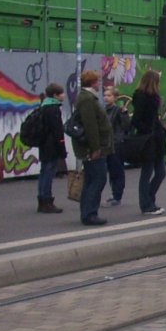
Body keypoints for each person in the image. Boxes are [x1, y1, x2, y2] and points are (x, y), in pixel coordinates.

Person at [71, 69, 111, 225]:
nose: (99, 84)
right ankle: (89, 213)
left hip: (92, 147)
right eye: (98, 81)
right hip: (93, 148)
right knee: (98, 179)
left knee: (92, 179)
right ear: (93, 82)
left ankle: (87, 211)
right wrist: (95, 148)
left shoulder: (86, 98)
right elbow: (91, 126)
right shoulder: (88, 99)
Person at [131, 68, 166, 215]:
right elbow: (136, 120)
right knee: (148, 172)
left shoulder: (149, 96)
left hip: (155, 138)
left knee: (160, 172)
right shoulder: (144, 97)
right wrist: (147, 130)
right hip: (149, 139)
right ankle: (146, 203)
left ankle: (149, 198)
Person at [36, 83, 66, 213]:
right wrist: (62, 149)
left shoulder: (43, 106)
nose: (63, 95)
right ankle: (47, 200)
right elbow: (57, 131)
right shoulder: (54, 109)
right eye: (61, 93)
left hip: (43, 144)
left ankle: (42, 198)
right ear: (55, 95)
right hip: (52, 145)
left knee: (44, 171)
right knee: (49, 172)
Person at [103, 83, 131, 207]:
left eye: (109, 95)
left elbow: (126, 127)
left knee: (117, 170)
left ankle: (117, 195)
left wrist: (125, 114)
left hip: (116, 143)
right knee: (111, 170)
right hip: (107, 144)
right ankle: (114, 193)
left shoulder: (118, 111)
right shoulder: (104, 110)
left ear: (115, 97)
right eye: (105, 95)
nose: (106, 98)